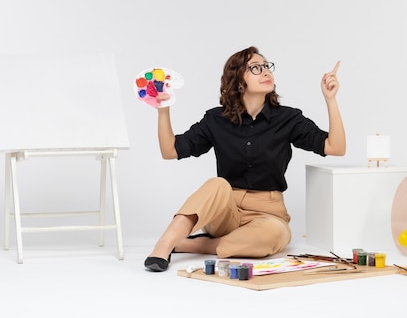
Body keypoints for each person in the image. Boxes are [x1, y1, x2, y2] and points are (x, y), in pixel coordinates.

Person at [144, 46, 346, 272]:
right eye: (256, 68)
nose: (266, 72)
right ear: (238, 81)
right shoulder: (215, 119)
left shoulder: (288, 118)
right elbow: (170, 151)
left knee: (276, 235)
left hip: (267, 213)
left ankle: (192, 244)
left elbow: (335, 147)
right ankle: (163, 245)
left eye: (267, 67)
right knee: (217, 184)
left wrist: (330, 100)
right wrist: (163, 110)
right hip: (225, 210)